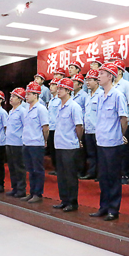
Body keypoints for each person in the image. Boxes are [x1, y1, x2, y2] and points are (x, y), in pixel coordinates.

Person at [89, 63, 128, 221]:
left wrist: (119, 135)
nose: (98, 76)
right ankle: (103, 207)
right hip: (101, 141)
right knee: (103, 177)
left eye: (102, 74)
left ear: (110, 76)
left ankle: (113, 209)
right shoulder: (99, 96)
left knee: (113, 177)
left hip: (113, 143)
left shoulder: (118, 95)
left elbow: (124, 119)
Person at [52, 78, 84, 212]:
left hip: (70, 146)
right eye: (58, 88)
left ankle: (72, 202)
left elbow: (79, 126)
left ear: (68, 91)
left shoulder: (74, 106)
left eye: (61, 88)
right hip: (59, 145)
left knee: (70, 176)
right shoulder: (59, 106)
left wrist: (77, 140)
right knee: (61, 176)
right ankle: (64, 200)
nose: (58, 91)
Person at [21, 82, 50, 203]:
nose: (26, 96)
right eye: (26, 94)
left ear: (36, 95)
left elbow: (45, 127)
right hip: (26, 143)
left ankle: (38, 193)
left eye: (29, 94)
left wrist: (45, 140)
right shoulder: (26, 109)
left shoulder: (41, 109)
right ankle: (32, 192)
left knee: (38, 170)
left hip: (36, 143)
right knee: (30, 169)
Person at [113, 59, 129, 185]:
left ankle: (125, 174)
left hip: (125, 122)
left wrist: (128, 118)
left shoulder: (127, 85)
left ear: (121, 71)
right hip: (113, 124)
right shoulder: (111, 85)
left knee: (124, 150)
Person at [81, 69, 104, 180]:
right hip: (88, 129)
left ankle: (100, 174)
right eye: (86, 80)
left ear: (97, 81)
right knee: (91, 154)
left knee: (100, 154)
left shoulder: (101, 94)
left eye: (90, 80)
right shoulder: (87, 96)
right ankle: (92, 172)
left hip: (98, 129)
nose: (87, 82)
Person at [5, 88, 27, 197]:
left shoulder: (22, 111)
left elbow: (25, 126)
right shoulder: (11, 111)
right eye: (11, 96)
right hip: (9, 142)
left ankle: (21, 189)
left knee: (19, 167)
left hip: (18, 143)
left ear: (20, 99)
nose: (11, 98)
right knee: (12, 167)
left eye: (14, 96)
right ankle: (14, 188)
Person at [71, 73, 88, 177]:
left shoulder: (84, 96)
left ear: (80, 84)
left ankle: (81, 171)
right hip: (72, 126)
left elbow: (86, 111)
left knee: (81, 151)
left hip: (81, 125)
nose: (72, 84)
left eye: (74, 82)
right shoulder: (71, 95)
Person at [46, 78, 61, 175]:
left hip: (57, 128)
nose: (51, 87)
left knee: (57, 150)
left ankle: (60, 169)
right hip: (51, 128)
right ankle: (56, 168)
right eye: (50, 85)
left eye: (53, 85)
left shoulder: (60, 100)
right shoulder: (51, 100)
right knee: (52, 149)